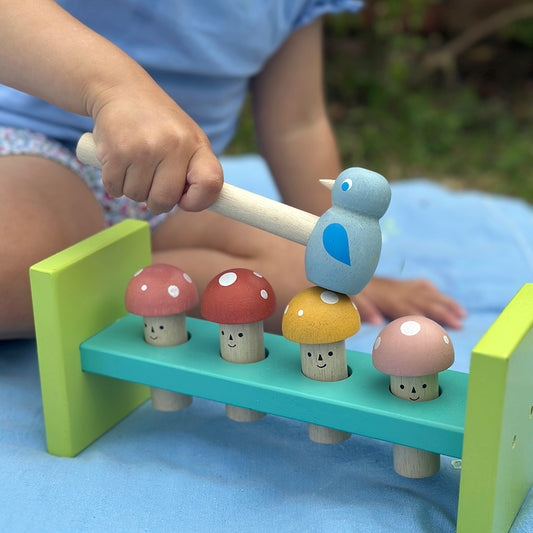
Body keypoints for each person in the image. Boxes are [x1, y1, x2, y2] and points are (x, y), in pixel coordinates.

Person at [0, 0, 466, 339]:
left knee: (300, 290)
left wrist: (340, 263)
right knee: (12, 261)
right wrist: (115, 90)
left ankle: (100, 286)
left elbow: (297, 125)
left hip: (173, 190)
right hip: (37, 148)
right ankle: (58, 279)